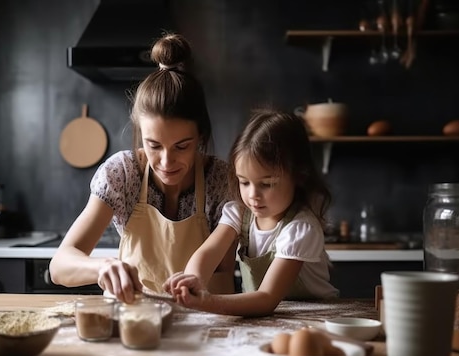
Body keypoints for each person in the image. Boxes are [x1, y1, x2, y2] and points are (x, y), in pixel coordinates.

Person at [49, 33, 237, 304]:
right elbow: (59, 266)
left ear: (201, 137)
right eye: (154, 145)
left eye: (182, 146)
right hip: (135, 323)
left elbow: (223, 272)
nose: (166, 162)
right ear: (139, 134)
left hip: (208, 328)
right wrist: (102, 267)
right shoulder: (122, 174)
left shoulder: (222, 180)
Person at [163, 109, 339, 317]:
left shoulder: (300, 229)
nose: (253, 195)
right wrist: (192, 282)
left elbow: (267, 297)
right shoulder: (239, 212)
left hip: (313, 316)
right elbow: (208, 253)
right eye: (244, 182)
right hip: (265, 315)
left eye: (267, 184)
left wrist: (207, 302)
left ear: (298, 176)